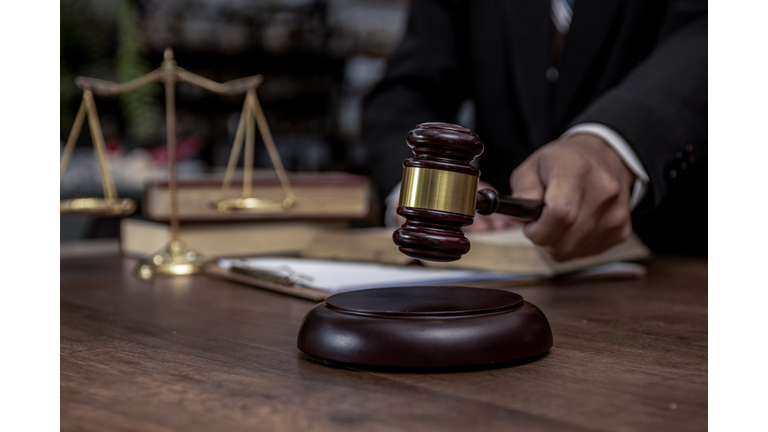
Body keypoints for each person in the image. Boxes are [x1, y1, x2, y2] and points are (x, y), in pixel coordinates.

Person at [362, 0, 707, 261]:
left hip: (680, 265)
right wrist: (420, 187)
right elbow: (406, 91)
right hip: (499, 265)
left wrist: (613, 141)